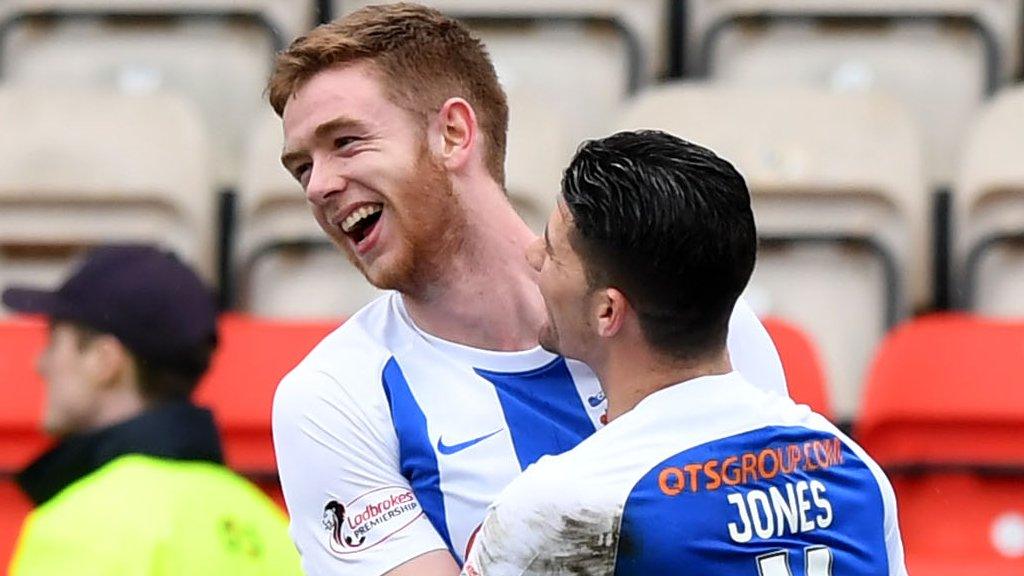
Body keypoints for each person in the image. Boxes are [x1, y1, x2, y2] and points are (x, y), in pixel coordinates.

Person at [267, 4, 789, 575]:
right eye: (301, 168)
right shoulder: (333, 397)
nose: (318, 186)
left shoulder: (697, 315)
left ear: (454, 133)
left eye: (345, 142)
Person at [460, 131, 907, 576]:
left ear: (608, 311)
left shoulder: (565, 506)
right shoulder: (854, 473)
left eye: (554, 250)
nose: (533, 256)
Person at [3, 245, 302, 576]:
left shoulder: (81, 525)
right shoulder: (275, 530)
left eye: (54, 343)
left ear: (104, 360)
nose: (39, 363)